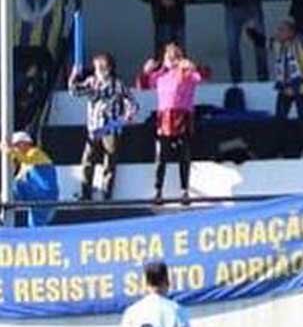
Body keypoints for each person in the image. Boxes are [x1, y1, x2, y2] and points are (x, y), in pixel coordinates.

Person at [68, 52, 137, 201]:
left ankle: (106, 194)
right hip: (94, 129)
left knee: (109, 162)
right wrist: (74, 76)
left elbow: (132, 102)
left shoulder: (117, 84)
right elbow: (74, 92)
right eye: (97, 66)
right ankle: (86, 194)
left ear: (109, 67)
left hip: (111, 128)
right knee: (88, 161)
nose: (98, 69)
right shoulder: (91, 82)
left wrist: (128, 115)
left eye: (101, 66)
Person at [141, 42, 204, 205]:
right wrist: (146, 71)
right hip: (164, 118)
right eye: (168, 57)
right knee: (161, 156)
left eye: (174, 57)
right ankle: (158, 190)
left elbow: (202, 76)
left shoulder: (186, 74)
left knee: (184, 155)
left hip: (182, 117)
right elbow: (143, 85)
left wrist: (193, 67)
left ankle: (185, 191)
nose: (171, 60)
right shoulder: (160, 75)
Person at [269, 19, 303, 158]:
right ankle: (279, 150)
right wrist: (251, 31)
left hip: (301, 88)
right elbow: (262, 42)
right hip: (284, 89)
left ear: (290, 32)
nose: (278, 32)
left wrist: (301, 29)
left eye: (281, 30)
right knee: (279, 120)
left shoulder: (300, 42)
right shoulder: (278, 44)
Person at [6, 132, 58, 227]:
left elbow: (27, 159)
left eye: (16, 145)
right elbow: (19, 178)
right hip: (37, 197)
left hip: (45, 197)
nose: (15, 148)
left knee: (37, 226)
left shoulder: (35, 152)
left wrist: (10, 150)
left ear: (25, 143)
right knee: (35, 227)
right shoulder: (24, 163)